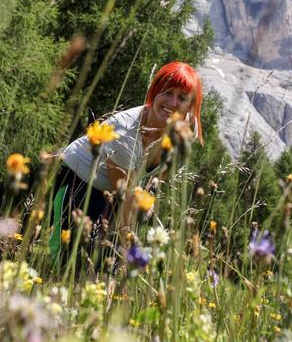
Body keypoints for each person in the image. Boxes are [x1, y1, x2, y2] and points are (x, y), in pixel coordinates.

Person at [49, 62, 204, 261]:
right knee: (69, 259)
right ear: (154, 92)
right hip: (78, 182)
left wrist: (147, 197)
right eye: (167, 92)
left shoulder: (187, 132)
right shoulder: (125, 133)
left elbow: (159, 176)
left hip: (115, 190)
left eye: (182, 98)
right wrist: (130, 257)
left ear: (190, 107)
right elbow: (123, 200)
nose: (173, 102)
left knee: (103, 263)